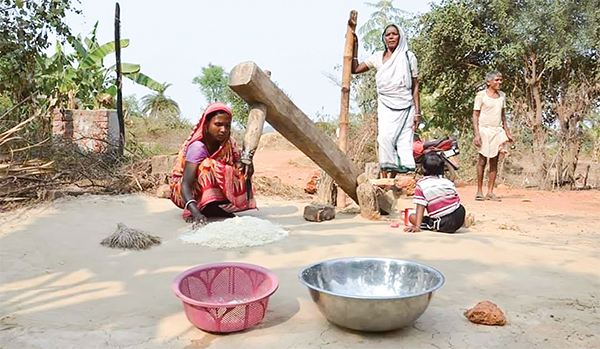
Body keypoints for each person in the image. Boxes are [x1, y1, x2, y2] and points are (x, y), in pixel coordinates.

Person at [352, 24, 421, 178]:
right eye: (388, 34)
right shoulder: (377, 57)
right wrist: (355, 46)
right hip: (385, 105)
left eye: (394, 34)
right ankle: (384, 179)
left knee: (400, 141)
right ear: (384, 38)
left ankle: (392, 179)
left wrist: (418, 113)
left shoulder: (409, 57)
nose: (391, 37)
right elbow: (355, 69)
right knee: (384, 139)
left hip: (405, 107)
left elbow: (415, 86)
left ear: (400, 37)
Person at [170, 103, 255, 225]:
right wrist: (195, 212)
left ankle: (212, 207)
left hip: (199, 187)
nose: (223, 130)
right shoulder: (197, 147)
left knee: (241, 168)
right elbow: (185, 185)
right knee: (207, 166)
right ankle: (200, 207)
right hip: (183, 192)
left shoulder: (229, 143)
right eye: (218, 125)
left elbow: (240, 166)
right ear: (206, 125)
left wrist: (247, 163)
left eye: (227, 125)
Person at [472, 71, 514, 201]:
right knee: (482, 160)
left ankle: (490, 191)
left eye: (501, 80)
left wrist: (507, 132)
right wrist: (477, 134)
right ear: (488, 82)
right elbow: (475, 115)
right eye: (496, 80)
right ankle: (479, 190)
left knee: (494, 161)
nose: (499, 82)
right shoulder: (481, 96)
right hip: (484, 130)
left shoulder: (502, 96)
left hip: (497, 131)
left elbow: (503, 115)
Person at [405, 153, 465, 233]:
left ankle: (431, 225)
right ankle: (462, 223)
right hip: (459, 214)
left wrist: (417, 226)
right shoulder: (447, 182)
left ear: (423, 168)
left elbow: (420, 206)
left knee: (411, 217)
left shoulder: (421, 184)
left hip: (444, 222)